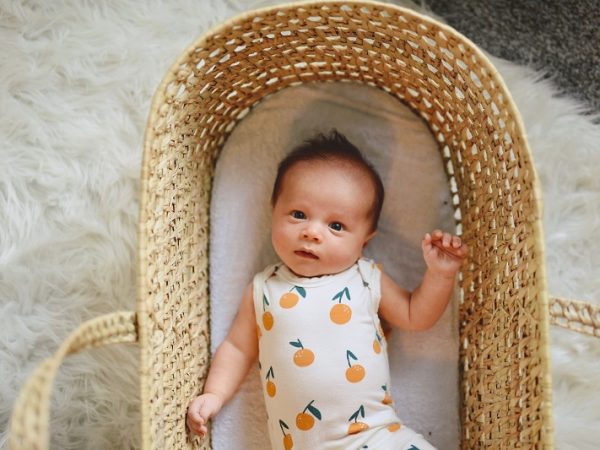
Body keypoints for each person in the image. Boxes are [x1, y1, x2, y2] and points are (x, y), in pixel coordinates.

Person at [187, 130, 468, 449]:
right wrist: (213, 395)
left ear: (365, 239)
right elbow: (237, 348)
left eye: (336, 226)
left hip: (374, 435)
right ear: (273, 211)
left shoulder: (364, 278)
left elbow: (415, 315)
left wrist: (440, 275)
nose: (312, 232)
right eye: (298, 214)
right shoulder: (263, 289)